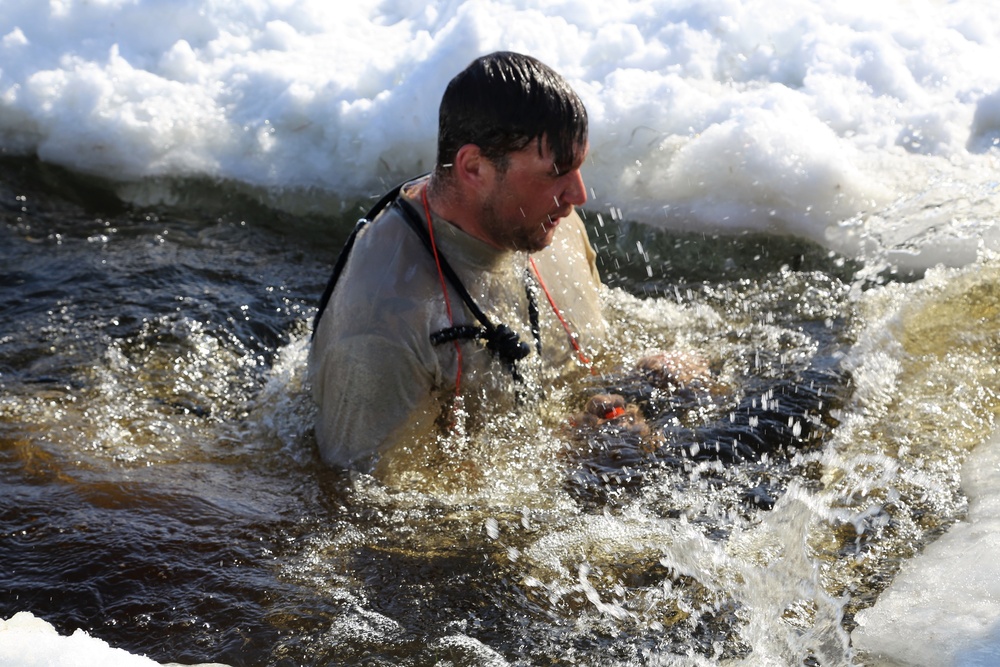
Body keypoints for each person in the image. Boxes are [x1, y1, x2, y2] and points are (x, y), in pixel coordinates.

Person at [309, 52, 608, 474]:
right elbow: (362, 509)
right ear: (474, 167)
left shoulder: (547, 221)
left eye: (579, 166)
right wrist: (562, 454)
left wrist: (642, 382)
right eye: (557, 170)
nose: (578, 195)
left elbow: (591, 365)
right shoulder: (381, 322)